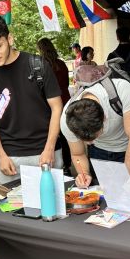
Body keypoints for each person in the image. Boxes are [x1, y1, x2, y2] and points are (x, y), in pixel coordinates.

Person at [0, 14, 64, 186]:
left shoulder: (38, 65)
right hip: (10, 157)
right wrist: (0, 155)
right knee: (13, 211)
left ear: (10, 38)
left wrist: (50, 147)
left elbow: (57, 107)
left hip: (46, 151)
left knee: (52, 208)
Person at [61, 64, 130, 185]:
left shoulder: (121, 90)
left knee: (127, 193)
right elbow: (78, 153)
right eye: (85, 140)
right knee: (101, 194)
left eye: (94, 137)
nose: (88, 143)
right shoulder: (67, 119)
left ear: (104, 118)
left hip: (127, 149)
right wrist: (84, 174)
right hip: (98, 152)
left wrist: (124, 179)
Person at [37, 37, 71, 174]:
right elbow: (67, 84)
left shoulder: (41, 66)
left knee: (52, 134)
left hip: (49, 104)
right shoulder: (61, 64)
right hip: (65, 100)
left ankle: (55, 162)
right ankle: (67, 164)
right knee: (65, 135)